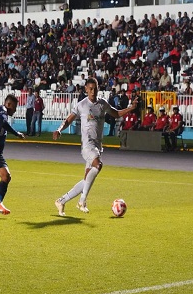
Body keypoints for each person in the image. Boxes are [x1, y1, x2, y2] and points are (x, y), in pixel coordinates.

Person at [53, 78, 137, 216]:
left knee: (87, 179)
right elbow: (69, 119)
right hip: (87, 145)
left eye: (95, 88)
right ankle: (82, 201)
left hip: (97, 145)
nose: (93, 91)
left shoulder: (102, 103)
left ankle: (61, 201)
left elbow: (115, 113)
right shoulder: (82, 105)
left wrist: (131, 108)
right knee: (98, 165)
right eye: (90, 88)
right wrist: (59, 129)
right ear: (86, 89)